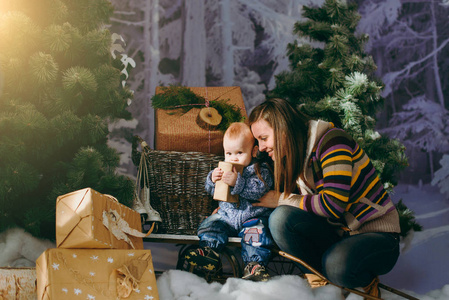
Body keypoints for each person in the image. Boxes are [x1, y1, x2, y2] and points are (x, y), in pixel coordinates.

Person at [249, 98, 400, 298]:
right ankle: (323, 287)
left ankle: (364, 284)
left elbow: (333, 205)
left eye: (264, 138)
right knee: (280, 218)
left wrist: (282, 199)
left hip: (377, 235)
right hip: (339, 236)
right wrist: (227, 211)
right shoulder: (296, 156)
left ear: (283, 128)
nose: (260, 147)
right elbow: (277, 204)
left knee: (336, 263)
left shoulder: (332, 141)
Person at [185, 122, 275, 281]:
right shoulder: (223, 169)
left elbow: (258, 191)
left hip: (251, 218)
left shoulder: (260, 170)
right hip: (226, 217)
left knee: (258, 235)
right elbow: (213, 191)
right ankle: (209, 252)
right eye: (228, 153)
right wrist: (212, 180)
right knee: (211, 224)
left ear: (253, 151)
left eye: (239, 152)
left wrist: (237, 183)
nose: (233, 158)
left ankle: (254, 265)